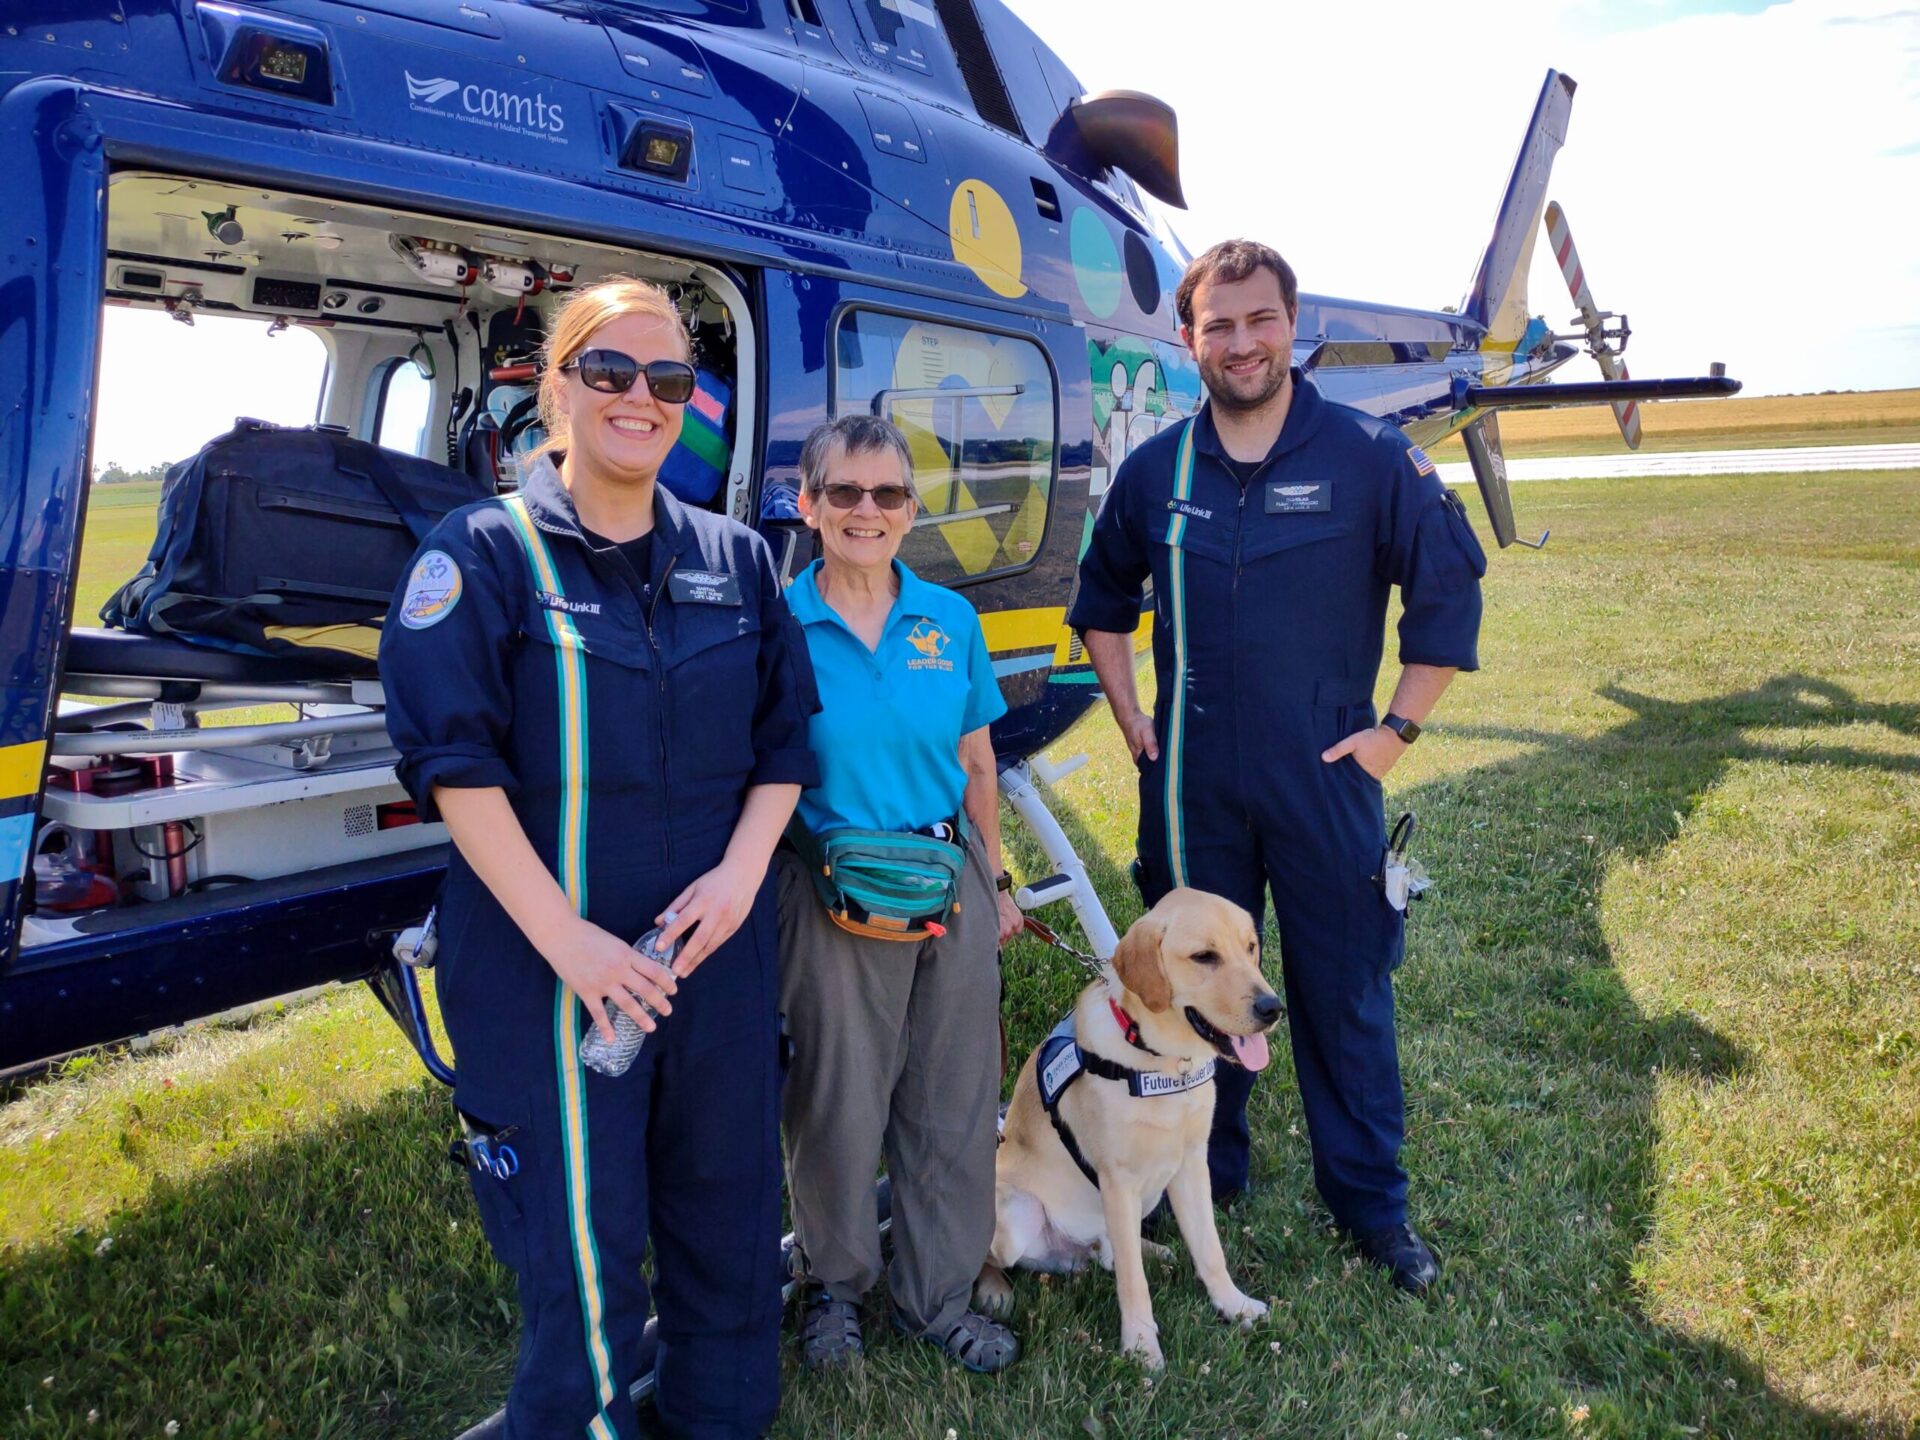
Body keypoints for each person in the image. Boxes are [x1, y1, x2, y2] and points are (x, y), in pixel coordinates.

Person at [380, 277, 818, 1438]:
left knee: (728, 1227)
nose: (641, 398)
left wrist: (739, 878)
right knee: (582, 1255)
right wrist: (569, 942)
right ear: (556, 386)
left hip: (710, 963)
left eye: (668, 378)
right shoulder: (480, 555)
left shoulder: (739, 559)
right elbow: (454, 769)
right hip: (546, 968)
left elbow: (785, 742)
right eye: (610, 372)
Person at [1068, 240, 1487, 1295]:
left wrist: (1398, 730)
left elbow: (1448, 593)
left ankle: (1371, 1207)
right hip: (1190, 779)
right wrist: (1130, 720)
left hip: (1325, 771)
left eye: (1260, 321)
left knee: (1342, 991)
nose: (1241, 342)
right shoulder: (1154, 470)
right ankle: (1206, 1171)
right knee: (1183, 994)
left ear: (1292, 327)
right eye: (1220, 325)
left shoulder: (1368, 455)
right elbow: (1101, 603)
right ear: (1188, 338)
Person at [776, 415, 1026, 1373]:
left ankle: (939, 1296)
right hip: (833, 892)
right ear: (810, 505)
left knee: (953, 1100)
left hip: (949, 882)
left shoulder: (948, 621)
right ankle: (833, 1287)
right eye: (844, 493)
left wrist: (996, 878)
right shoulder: (783, 627)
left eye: (888, 494)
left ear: (912, 509)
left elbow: (976, 758)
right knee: (839, 1099)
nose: (866, 511)